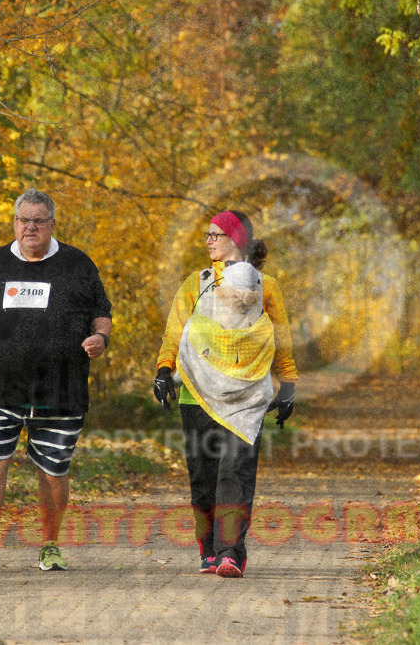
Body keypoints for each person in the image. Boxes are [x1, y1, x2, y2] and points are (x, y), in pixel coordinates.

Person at [0, 188, 112, 572]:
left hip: (60, 387)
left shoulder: (78, 264)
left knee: (53, 468)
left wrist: (100, 338)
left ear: (52, 224)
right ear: (14, 223)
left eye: (38, 221)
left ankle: (50, 545)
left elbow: (102, 312)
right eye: (22, 220)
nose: (29, 227)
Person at [154, 210, 297, 578]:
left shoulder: (266, 287)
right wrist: (163, 370)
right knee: (202, 479)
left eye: (215, 234)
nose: (208, 240)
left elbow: (280, 337)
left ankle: (231, 552)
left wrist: (289, 384)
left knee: (234, 473)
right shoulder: (196, 282)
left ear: (237, 239)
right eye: (207, 233)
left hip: (246, 398)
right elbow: (175, 331)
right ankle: (209, 548)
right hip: (197, 394)